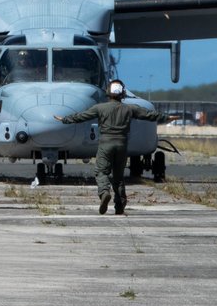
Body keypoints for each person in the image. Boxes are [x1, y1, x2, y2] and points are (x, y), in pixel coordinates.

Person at [54, 79, 166, 215]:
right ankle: (119, 206)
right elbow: (149, 115)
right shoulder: (130, 108)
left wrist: (64, 119)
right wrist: (167, 118)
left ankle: (104, 192)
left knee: (101, 172)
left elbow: (81, 117)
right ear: (123, 93)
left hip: (105, 144)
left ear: (108, 92)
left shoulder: (100, 108)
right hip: (122, 144)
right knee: (118, 177)